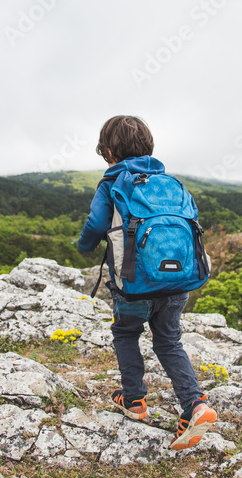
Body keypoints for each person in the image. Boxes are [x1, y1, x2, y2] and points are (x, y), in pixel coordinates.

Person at [77, 115, 217, 450]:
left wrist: (84, 246)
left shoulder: (113, 182)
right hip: (179, 282)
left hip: (134, 283)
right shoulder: (170, 183)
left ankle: (135, 400)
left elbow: (96, 225)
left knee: (126, 333)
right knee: (169, 341)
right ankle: (195, 404)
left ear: (108, 149)